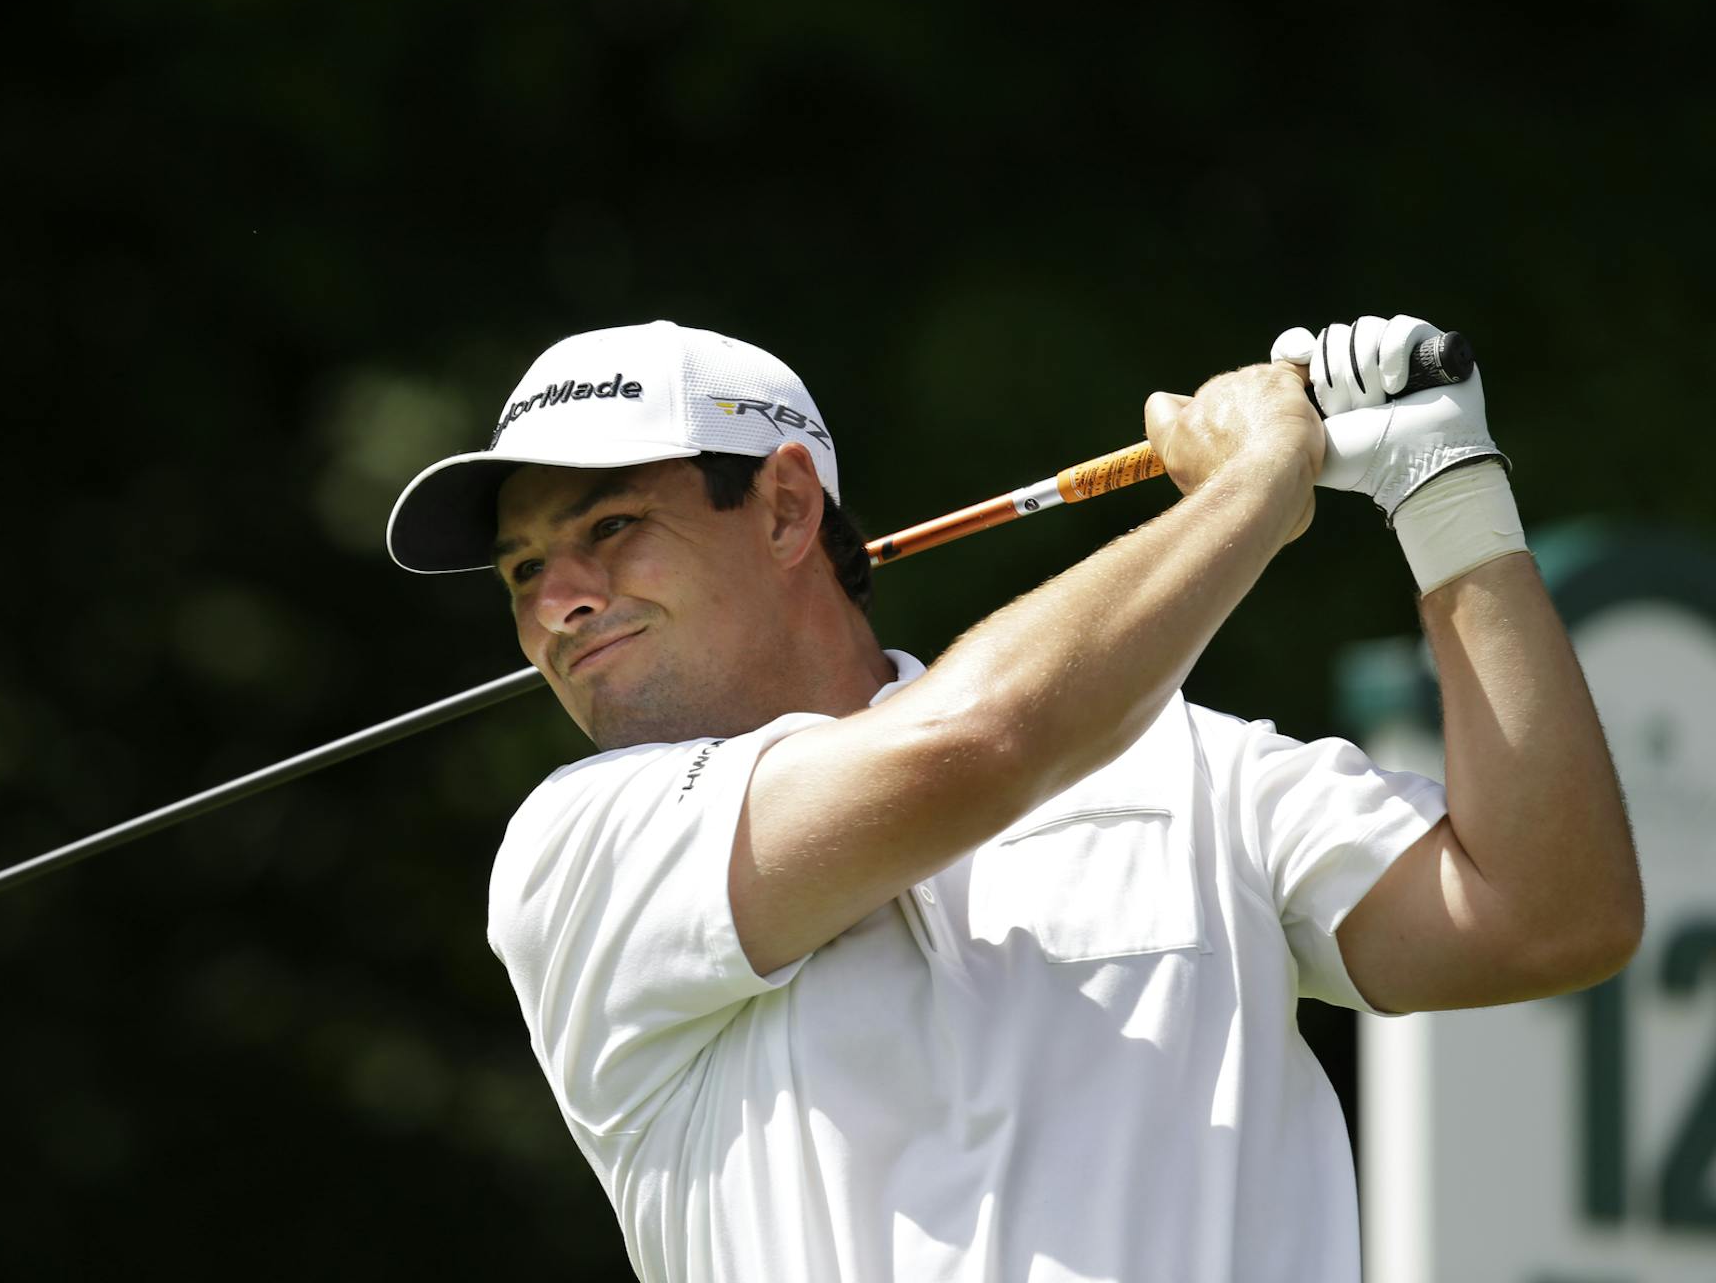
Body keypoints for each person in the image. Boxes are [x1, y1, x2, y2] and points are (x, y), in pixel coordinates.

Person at [383, 318, 1641, 1283]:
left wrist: (1449, 492)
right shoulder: (577, 848)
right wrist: (1256, 488)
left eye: (610, 526)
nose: (563, 600)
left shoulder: (1186, 766)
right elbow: (979, 744)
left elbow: (1547, 913)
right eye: (526, 568)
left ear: (781, 510)